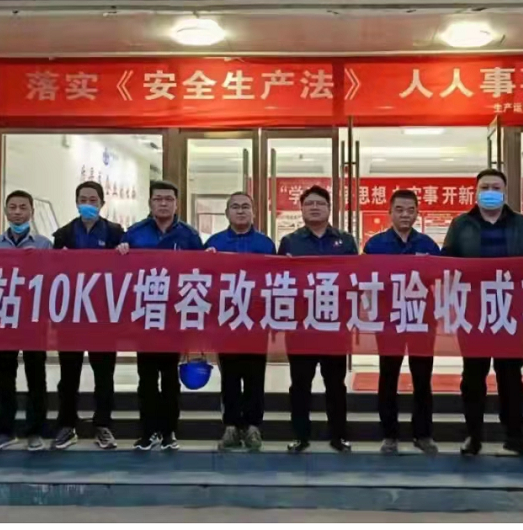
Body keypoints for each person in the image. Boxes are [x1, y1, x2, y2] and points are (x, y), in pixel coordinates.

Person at [443, 168, 523, 457]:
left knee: (510, 376)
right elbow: (448, 260)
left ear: (504, 191)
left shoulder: (522, 224)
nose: (490, 192)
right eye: (484, 187)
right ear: (476, 191)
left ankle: (515, 436)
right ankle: (473, 435)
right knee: (473, 376)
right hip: (473, 311)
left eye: (495, 187)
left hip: (511, 311)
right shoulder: (461, 224)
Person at [117, 180, 204, 452]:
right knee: (146, 378)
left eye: (169, 199)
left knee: (169, 378)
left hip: (174, 317)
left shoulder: (189, 236)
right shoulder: (135, 233)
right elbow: (120, 273)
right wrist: (120, 253)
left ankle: (168, 431)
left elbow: (202, 272)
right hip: (145, 316)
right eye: (158, 199)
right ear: (150, 203)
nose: (163, 203)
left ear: (177, 204)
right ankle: (147, 432)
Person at [278, 185, 357, 454]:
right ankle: (300, 436)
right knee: (300, 384)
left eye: (320, 203)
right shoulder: (290, 242)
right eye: (309, 203)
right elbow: (279, 281)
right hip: (300, 325)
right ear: (301, 209)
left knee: (336, 384)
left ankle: (339, 436)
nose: (314, 208)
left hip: (334, 324)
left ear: (329, 208)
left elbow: (355, 278)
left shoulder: (346, 241)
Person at [363, 189, 441, 455]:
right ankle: (389, 435)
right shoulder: (375, 245)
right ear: (390, 212)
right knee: (388, 376)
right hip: (389, 320)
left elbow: (438, 278)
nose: (405, 215)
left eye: (410, 210)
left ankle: (423, 434)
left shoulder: (428, 245)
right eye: (399, 209)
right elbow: (366, 280)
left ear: (417, 213)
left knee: (422, 377)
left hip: (421, 319)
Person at [52, 181, 125, 451]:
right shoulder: (63, 234)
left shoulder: (116, 233)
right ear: (76, 202)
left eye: (93, 200)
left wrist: (124, 254)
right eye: (83, 199)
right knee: (68, 374)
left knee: (104, 374)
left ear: (102, 203)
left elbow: (125, 272)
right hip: (71, 315)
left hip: (104, 315)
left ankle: (102, 424)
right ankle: (66, 424)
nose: (87, 204)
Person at [204, 192, 276, 452]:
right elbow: (203, 279)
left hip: (256, 320)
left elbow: (275, 279)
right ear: (227, 213)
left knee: (255, 376)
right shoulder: (214, 243)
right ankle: (232, 426)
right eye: (235, 207)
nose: (241, 211)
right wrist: (207, 261)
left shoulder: (265, 244)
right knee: (230, 377)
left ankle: (253, 426)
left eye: (246, 206)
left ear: (254, 212)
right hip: (226, 320)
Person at [0, 190, 53, 452]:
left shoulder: (44, 245)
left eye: (23, 207)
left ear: (31, 212)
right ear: (5, 211)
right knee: (4, 376)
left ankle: (35, 430)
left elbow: (53, 280)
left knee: (36, 375)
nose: (17, 212)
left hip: (34, 318)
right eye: (12, 207)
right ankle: (5, 429)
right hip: (3, 317)